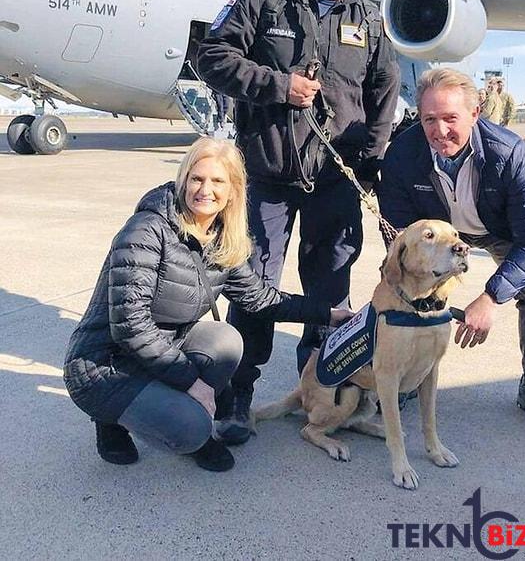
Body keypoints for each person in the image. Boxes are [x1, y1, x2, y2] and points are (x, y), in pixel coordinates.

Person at [197, 0, 400, 444]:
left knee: (331, 286)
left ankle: (324, 387)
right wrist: (276, 85)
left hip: (335, 180)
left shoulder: (369, 19)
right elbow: (211, 56)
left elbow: (384, 93)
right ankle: (239, 391)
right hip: (267, 177)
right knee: (253, 286)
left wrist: (371, 161)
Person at [63, 138, 351, 472]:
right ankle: (110, 419)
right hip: (104, 365)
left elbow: (261, 299)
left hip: (161, 350)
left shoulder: (220, 238)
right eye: (197, 178)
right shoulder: (146, 230)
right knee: (192, 430)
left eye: (218, 181)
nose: (205, 190)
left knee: (226, 341)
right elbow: (131, 327)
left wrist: (328, 314)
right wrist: (192, 383)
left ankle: (170, 410)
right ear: (183, 179)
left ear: (233, 190)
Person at [377, 68, 525, 432]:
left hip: (501, 230)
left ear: (475, 113)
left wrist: (491, 297)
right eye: (430, 119)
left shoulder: (511, 154)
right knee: (401, 286)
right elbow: (399, 234)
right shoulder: (403, 155)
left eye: (451, 118)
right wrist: (422, 279)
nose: (440, 130)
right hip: (439, 234)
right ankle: (408, 377)